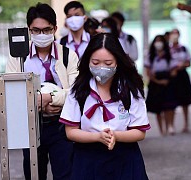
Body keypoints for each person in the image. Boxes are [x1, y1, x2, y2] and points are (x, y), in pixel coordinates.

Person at [59, 33, 150, 180]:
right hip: (87, 159)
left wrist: (115, 136)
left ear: (118, 62)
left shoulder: (130, 89)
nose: (101, 68)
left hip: (125, 158)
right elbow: (70, 131)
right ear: (88, 61)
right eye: (95, 63)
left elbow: (140, 131)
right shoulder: (79, 90)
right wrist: (97, 137)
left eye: (108, 64)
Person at [6, 3, 79, 180]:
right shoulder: (17, 57)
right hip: (30, 126)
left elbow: (75, 92)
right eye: (36, 30)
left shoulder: (68, 55)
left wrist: (49, 98)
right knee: (33, 174)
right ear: (29, 30)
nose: (41, 35)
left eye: (46, 30)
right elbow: (11, 92)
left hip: (62, 125)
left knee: (65, 173)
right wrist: (37, 103)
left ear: (55, 28)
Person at [145, 35, 177, 135]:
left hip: (167, 81)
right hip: (155, 83)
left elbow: (174, 70)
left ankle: (170, 126)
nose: (158, 43)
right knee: (158, 107)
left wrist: (168, 77)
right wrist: (157, 80)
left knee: (169, 106)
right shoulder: (150, 56)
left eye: (160, 41)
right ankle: (161, 130)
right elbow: (148, 72)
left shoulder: (169, 55)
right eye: (157, 41)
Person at [169, 28, 191, 133]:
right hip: (172, 76)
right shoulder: (168, 49)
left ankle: (186, 124)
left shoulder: (184, 49)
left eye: (176, 34)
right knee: (172, 100)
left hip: (182, 76)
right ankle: (171, 125)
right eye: (173, 34)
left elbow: (189, 63)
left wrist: (181, 66)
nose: (175, 36)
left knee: (185, 100)